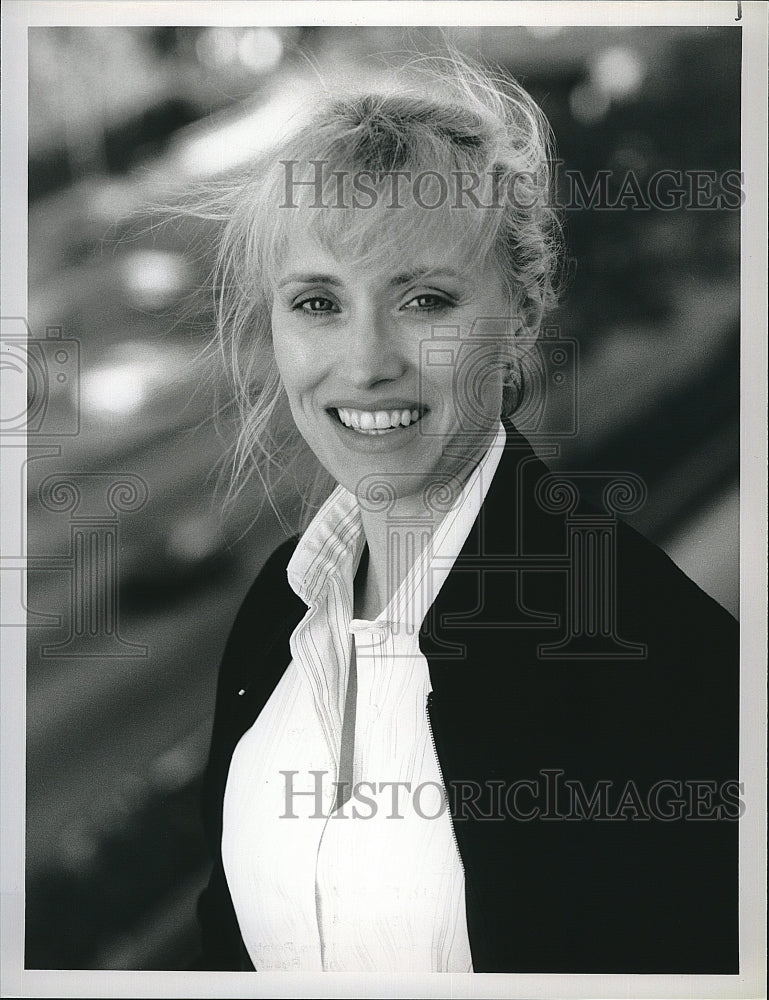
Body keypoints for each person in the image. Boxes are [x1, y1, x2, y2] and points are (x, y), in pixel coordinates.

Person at [195, 57, 739, 973]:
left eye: (424, 301)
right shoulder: (274, 614)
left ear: (520, 313)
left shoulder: (649, 650)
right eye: (319, 303)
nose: (364, 363)